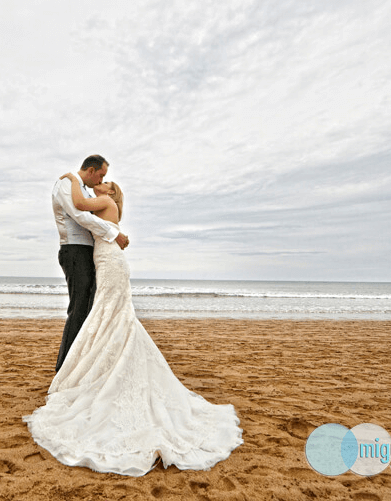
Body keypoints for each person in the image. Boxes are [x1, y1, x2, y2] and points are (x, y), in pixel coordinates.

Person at [24, 172, 243, 476]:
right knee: (109, 314)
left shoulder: (101, 200)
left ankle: (89, 367)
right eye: (101, 178)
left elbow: (77, 203)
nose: (102, 182)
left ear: (111, 193)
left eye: (106, 182)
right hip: (107, 258)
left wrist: (71, 178)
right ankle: (96, 364)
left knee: (108, 312)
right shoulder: (105, 204)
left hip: (109, 260)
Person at [51, 155, 130, 372]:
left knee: (89, 310)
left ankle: (82, 365)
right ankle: (64, 369)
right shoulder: (66, 184)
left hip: (92, 254)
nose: (101, 180)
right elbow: (80, 215)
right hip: (75, 252)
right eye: (102, 176)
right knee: (78, 310)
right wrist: (114, 233)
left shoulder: (87, 190)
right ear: (92, 170)